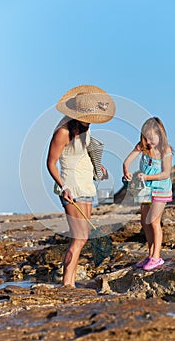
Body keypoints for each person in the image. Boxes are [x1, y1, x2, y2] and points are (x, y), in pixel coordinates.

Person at [47, 85, 116, 287]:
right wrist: (63, 187)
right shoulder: (62, 132)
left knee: (81, 238)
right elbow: (50, 164)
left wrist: (97, 165)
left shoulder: (85, 127)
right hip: (71, 187)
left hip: (86, 185)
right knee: (80, 237)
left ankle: (70, 281)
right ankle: (67, 283)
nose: (91, 121)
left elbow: (82, 152)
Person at [123, 117, 173, 271]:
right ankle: (150, 255)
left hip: (160, 190)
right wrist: (126, 171)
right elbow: (127, 161)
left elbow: (165, 173)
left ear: (160, 134)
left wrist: (147, 177)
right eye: (146, 138)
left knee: (153, 221)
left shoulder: (166, 150)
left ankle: (157, 257)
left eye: (152, 138)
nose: (149, 142)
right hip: (146, 190)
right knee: (144, 222)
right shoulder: (143, 147)